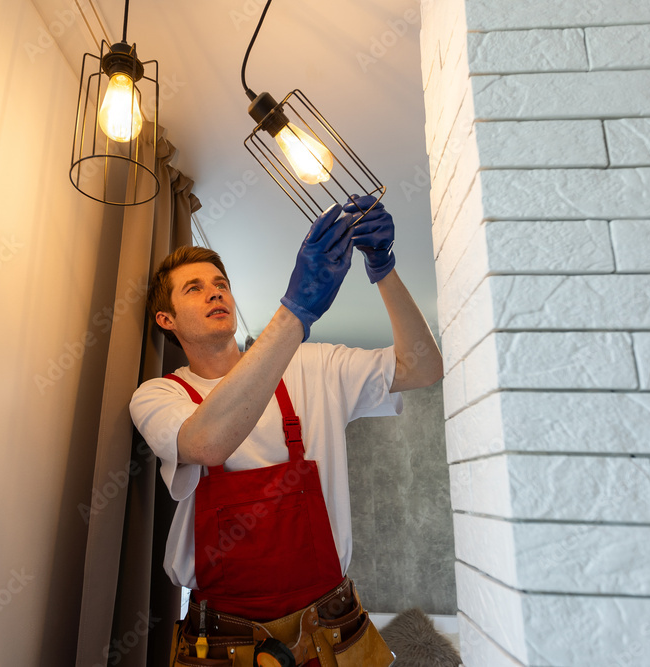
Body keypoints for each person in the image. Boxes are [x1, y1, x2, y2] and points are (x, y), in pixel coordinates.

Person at [129, 195, 443, 667]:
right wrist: (294, 310)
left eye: (221, 284)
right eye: (194, 288)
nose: (216, 292)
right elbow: (206, 443)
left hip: (335, 632)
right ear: (165, 320)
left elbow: (423, 369)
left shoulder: (313, 366)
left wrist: (384, 269)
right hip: (220, 646)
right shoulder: (157, 396)